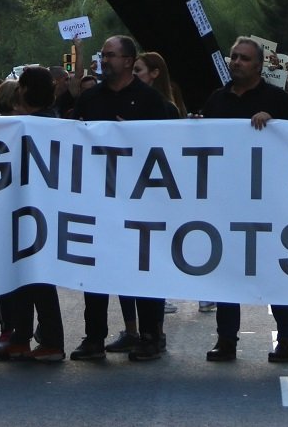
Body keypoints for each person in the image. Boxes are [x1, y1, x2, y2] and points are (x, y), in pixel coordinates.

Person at [69, 36, 179, 364]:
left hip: (140, 200)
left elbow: (168, 147)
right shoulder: (91, 98)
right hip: (99, 198)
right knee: (96, 268)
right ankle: (94, 336)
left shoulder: (150, 101)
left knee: (142, 267)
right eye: (102, 55)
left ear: (129, 61)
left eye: (111, 55)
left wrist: (135, 137)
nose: (104, 60)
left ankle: (149, 335)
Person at [200, 37, 288, 364]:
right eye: (234, 57)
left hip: (268, 202)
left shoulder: (277, 100)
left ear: (258, 65)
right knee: (228, 272)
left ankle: (287, 339)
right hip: (228, 201)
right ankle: (226, 340)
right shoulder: (216, 99)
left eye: (244, 59)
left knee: (274, 272)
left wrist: (275, 125)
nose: (237, 63)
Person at [0, 66, 67, 363]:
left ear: (24, 90)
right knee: (23, 275)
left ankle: (51, 341)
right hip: (26, 208)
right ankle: (21, 337)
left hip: (38, 209)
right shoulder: (44, 122)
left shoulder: (39, 124)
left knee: (38, 277)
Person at [133, 50, 186, 115]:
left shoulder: (167, 108)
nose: (132, 74)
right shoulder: (132, 102)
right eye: (132, 70)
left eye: (137, 70)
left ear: (155, 73)